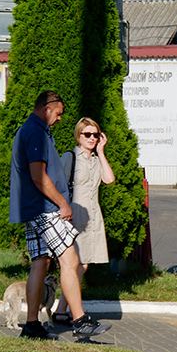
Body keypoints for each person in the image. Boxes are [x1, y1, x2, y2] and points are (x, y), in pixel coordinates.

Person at [8, 91, 110, 339]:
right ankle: (80, 321)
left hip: (32, 208)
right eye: (59, 113)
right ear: (46, 108)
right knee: (70, 259)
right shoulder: (35, 132)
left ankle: (32, 325)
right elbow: (38, 176)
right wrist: (63, 203)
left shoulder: (33, 131)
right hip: (45, 208)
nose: (60, 118)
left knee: (40, 262)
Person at [51, 117, 117, 324]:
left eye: (95, 135)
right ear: (78, 136)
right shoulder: (70, 157)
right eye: (86, 134)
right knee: (75, 264)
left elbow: (109, 179)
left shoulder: (97, 160)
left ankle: (62, 310)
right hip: (73, 216)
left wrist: (101, 151)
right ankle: (63, 310)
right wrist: (62, 209)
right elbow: (54, 184)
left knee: (83, 264)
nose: (91, 138)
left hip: (93, 217)